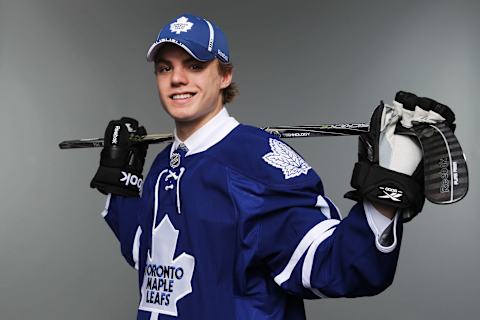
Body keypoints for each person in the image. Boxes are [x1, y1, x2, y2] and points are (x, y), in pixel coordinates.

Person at [90, 13, 454, 320]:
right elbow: (151, 258)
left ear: (225, 76)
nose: (177, 79)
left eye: (196, 66)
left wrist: (390, 184)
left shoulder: (258, 162)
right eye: (165, 67)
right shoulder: (162, 165)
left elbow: (336, 266)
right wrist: (117, 185)